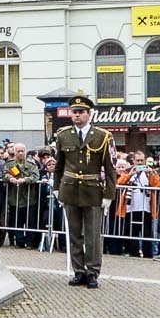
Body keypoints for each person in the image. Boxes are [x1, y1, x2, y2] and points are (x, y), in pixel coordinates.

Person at [53, 93, 117, 287]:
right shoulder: (63, 135)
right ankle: (78, 271)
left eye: (81, 112)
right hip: (70, 189)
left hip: (92, 191)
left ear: (89, 114)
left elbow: (110, 168)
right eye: (74, 112)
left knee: (92, 235)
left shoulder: (103, 136)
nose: (77, 115)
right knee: (74, 234)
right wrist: (57, 188)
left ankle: (92, 272)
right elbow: (59, 166)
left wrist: (109, 194)